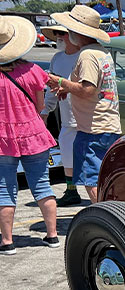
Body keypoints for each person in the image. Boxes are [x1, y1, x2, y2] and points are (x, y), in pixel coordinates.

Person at [47, 5, 120, 204]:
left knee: (91, 180)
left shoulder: (86, 55)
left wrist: (61, 82)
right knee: (103, 177)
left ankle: (105, 220)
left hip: (93, 128)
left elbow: (88, 89)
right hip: (106, 124)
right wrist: (68, 88)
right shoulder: (100, 52)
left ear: (77, 33)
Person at [0, 16, 60, 255]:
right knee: (43, 186)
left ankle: (7, 242)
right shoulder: (34, 70)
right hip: (34, 134)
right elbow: (39, 105)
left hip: (3, 139)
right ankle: (52, 236)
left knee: (5, 190)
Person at [41, 24, 81, 206]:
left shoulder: (84, 56)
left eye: (61, 34)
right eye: (56, 34)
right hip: (67, 116)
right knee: (66, 152)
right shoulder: (57, 58)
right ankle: (71, 190)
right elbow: (51, 89)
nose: (58, 37)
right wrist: (45, 110)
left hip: (88, 116)